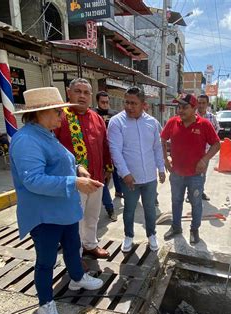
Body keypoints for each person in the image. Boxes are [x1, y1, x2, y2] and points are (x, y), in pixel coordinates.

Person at [10, 87, 104, 314]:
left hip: (64, 210)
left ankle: (77, 278)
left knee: (73, 248)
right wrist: (75, 182)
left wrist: (77, 169)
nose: (63, 116)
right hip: (45, 215)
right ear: (40, 113)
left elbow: (60, 163)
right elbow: (33, 180)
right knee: (46, 261)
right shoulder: (26, 140)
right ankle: (45, 303)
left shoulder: (46, 133)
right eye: (58, 111)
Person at [54, 78, 112, 259]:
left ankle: (90, 245)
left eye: (86, 93)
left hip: (96, 178)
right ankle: (75, 256)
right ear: (68, 92)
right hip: (73, 181)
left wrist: (108, 167)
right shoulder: (60, 116)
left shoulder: (96, 117)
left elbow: (104, 144)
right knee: (75, 221)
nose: (82, 96)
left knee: (92, 216)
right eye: (78, 91)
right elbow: (53, 148)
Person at [108, 86, 165, 252]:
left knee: (150, 208)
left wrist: (161, 168)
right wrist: (125, 173)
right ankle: (128, 236)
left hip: (149, 177)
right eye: (127, 102)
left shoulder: (152, 123)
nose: (129, 107)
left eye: (134, 103)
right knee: (129, 209)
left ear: (143, 104)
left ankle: (151, 235)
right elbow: (115, 150)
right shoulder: (117, 122)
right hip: (130, 178)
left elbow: (157, 147)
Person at [161, 93, 220, 244]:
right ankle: (176, 227)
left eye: (185, 107)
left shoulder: (204, 124)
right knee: (176, 201)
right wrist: (165, 158)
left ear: (194, 108)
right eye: (179, 107)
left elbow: (216, 144)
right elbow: (162, 139)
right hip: (177, 173)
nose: (180, 110)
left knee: (196, 202)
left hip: (196, 174)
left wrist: (205, 159)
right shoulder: (173, 122)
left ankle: (194, 229)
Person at [95, 91, 121, 222]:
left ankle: (118, 193)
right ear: (97, 102)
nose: (105, 105)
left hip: (112, 151)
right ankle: (110, 208)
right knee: (102, 183)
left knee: (116, 173)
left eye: (107, 102)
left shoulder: (114, 114)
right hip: (96, 153)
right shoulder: (93, 115)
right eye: (102, 102)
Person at [196, 94, 220, 201]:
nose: (201, 105)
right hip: (192, 151)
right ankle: (190, 194)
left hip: (206, 152)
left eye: (203, 103)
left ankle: (200, 192)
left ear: (207, 104)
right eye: (199, 103)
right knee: (192, 173)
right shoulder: (192, 116)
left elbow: (216, 131)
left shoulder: (212, 118)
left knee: (203, 173)